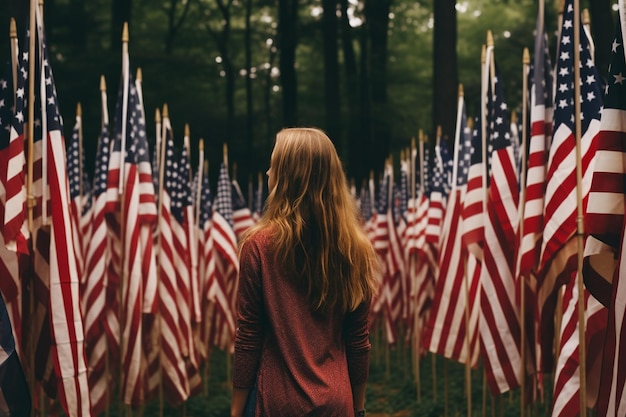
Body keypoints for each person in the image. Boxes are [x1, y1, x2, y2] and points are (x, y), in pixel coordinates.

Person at [231, 127, 379, 417]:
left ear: (289, 177)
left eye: (273, 165)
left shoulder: (259, 246)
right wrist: (358, 409)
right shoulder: (355, 250)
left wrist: (236, 411)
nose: (267, 172)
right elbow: (358, 340)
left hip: (274, 403)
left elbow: (249, 336)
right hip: (338, 404)